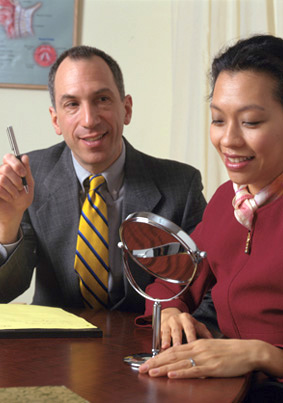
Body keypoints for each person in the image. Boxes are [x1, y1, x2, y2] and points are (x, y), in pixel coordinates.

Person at [0, 45, 207, 313]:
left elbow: (201, 282)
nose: (89, 120)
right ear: (55, 120)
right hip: (53, 345)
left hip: (144, 340)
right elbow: (5, 292)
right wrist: (7, 223)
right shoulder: (29, 177)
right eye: (72, 104)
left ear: (127, 108)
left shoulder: (182, 184)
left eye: (102, 100)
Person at [139, 34, 283, 384]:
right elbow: (174, 281)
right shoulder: (227, 200)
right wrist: (171, 312)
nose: (229, 140)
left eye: (250, 122)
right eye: (218, 119)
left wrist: (261, 354)